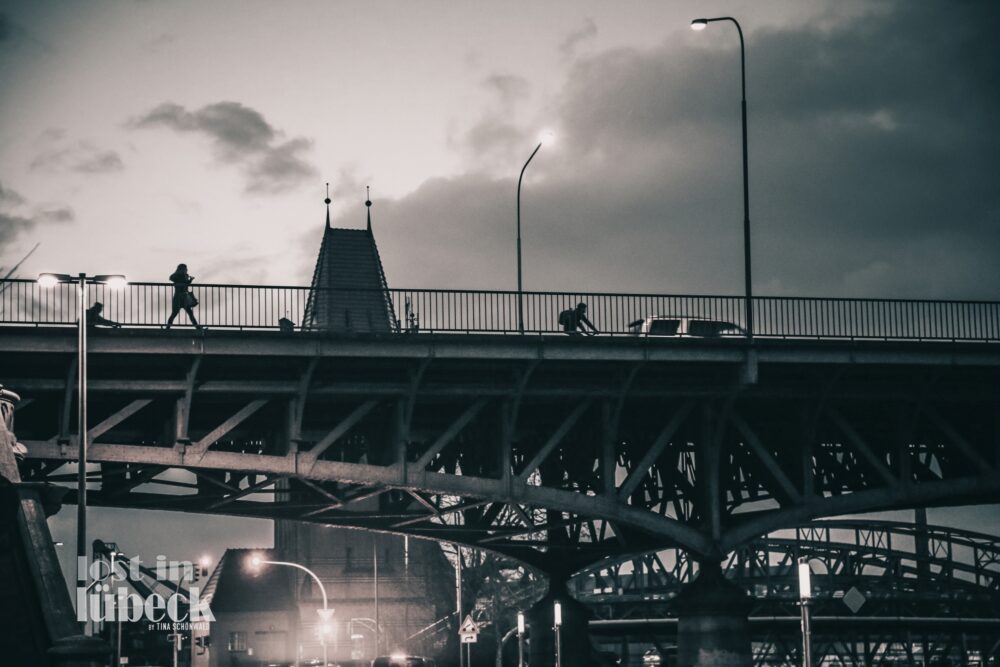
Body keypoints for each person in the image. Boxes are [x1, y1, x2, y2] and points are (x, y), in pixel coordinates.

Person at [165, 263, 202, 329]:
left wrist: (190, 280)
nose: (186, 270)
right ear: (181, 269)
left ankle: (198, 328)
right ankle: (167, 328)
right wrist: (180, 274)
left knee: (190, 313)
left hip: (184, 298)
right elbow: (171, 278)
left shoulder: (185, 275)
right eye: (185, 268)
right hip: (178, 298)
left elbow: (186, 284)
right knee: (174, 314)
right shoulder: (176, 275)